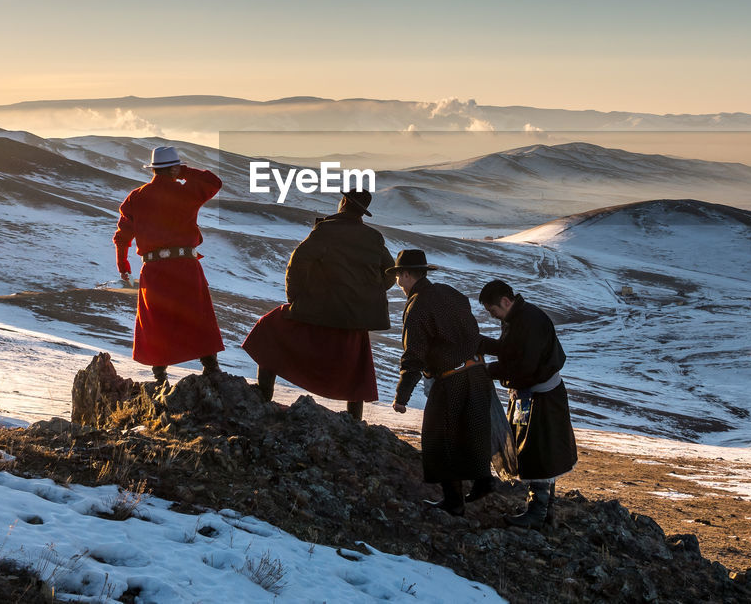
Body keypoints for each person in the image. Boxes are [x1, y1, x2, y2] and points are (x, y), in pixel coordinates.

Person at [242, 189, 395, 419]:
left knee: (269, 328)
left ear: (343, 203)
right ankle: (354, 420)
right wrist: (366, 294)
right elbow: (390, 274)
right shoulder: (374, 238)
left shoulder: (325, 230)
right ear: (362, 212)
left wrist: (296, 299)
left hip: (317, 310)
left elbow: (297, 264)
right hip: (354, 317)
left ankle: (265, 393)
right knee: (355, 367)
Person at [389, 250, 492, 516]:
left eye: (399, 275)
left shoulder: (417, 307)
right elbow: (471, 332)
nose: (398, 281)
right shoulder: (450, 293)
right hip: (478, 373)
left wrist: (402, 397)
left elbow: (414, 355)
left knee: (440, 438)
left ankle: (454, 502)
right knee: (474, 429)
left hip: (451, 379)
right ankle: (483, 482)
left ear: (409, 275)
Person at [113, 145, 224, 385]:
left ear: (153, 169)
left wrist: (123, 266)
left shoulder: (136, 197)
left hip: (154, 269)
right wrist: (184, 172)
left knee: (156, 320)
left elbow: (121, 237)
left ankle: (160, 376)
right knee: (197, 315)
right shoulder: (187, 192)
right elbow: (214, 182)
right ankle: (211, 368)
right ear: (174, 168)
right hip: (185, 265)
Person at [477, 279, 578, 528]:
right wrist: (480, 343)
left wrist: (486, 371)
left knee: (538, 450)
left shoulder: (529, 321)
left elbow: (523, 365)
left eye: (493, 311)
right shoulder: (517, 318)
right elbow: (510, 350)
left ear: (505, 301)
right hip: (535, 394)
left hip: (541, 396)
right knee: (535, 448)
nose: (494, 316)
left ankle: (538, 514)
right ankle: (544, 513)